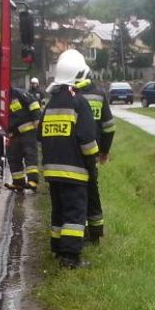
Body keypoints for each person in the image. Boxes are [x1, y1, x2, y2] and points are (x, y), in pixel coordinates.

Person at [39, 49, 100, 268]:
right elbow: (87, 139)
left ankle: (58, 248)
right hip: (74, 171)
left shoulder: (51, 103)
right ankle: (71, 258)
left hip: (52, 172)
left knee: (59, 211)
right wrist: (93, 159)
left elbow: (40, 135)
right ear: (79, 75)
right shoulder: (79, 102)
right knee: (75, 213)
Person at [78, 76, 115, 243]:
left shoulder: (71, 94)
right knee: (92, 191)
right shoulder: (99, 94)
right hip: (92, 152)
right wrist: (104, 151)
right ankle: (95, 234)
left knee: (76, 192)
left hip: (73, 152)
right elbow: (109, 126)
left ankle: (80, 230)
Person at [4, 83, 41, 191]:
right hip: (13, 133)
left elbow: (34, 105)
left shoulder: (19, 93)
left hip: (28, 131)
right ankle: (18, 183)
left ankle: (33, 181)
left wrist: (37, 123)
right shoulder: (0, 98)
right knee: (13, 157)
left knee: (30, 155)